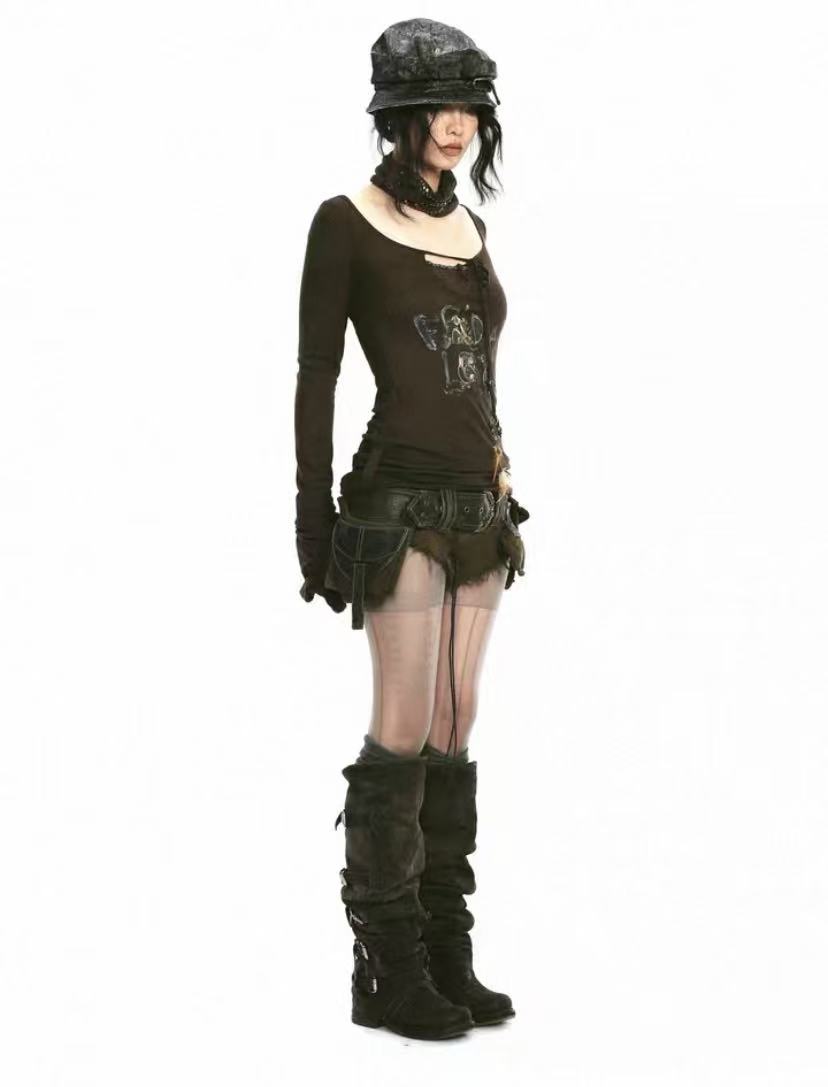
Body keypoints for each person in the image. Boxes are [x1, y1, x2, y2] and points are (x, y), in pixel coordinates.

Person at [293, 18, 529, 1041]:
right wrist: (311, 519)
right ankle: (384, 968)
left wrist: (501, 475)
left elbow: (478, 376)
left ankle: (444, 950)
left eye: (469, 106)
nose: (457, 124)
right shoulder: (344, 222)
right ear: (399, 113)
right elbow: (317, 377)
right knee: (401, 726)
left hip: (479, 504)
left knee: (455, 721)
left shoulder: (470, 226)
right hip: (395, 505)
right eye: (438, 106)